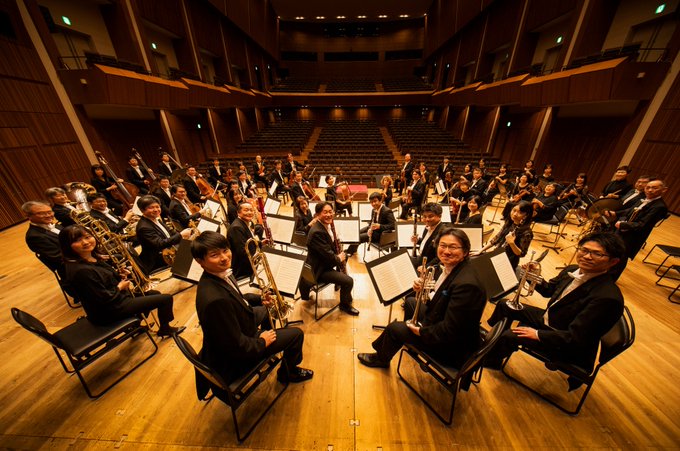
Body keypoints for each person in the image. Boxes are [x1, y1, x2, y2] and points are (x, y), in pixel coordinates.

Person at [485, 232, 626, 384]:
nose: (586, 256)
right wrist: (532, 275)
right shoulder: (572, 269)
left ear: (613, 261)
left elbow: (575, 338)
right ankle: (490, 340)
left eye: (597, 254)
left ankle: (490, 360)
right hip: (554, 319)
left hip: (567, 344)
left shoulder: (607, 298)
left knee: (510, 335)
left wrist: (538, 334)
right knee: (504, 305)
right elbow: (549, 290)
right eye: (584, 250)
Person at [191, 231, 313, 387]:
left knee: (270, 310)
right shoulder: (215, 301)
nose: (224, 257)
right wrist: (262, 342)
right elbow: (236, 347)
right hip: (237, 357)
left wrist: (260, 299)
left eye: (225, 250)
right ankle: (287, 373)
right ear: (200, 261)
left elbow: (237, 298)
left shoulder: (218, 274)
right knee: (296, 334)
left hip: (240, 326)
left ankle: (269, 340)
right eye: (214, 255)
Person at [357, 227, 486, 368]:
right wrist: (424, 288)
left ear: (465, 251)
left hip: (451, 347)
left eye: (453, 247)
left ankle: (381, 359)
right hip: (441, 322)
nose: (446, 251)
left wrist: (421, 332)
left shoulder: (467, 286)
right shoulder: (455, 267)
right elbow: (443, 298)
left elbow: (450, 330)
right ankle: (408, 340)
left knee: (394, 328)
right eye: (443, 245)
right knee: (411, 301)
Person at [59, 224, 183, 336]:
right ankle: (165, 329)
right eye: (77, 240)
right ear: (67, 245)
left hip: (115, 300)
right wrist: (120, 287)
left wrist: (119, 275)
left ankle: (135, 326)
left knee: (154, 294)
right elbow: (102, 298)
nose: (85, 242)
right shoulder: (81, 270)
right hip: (108, 310)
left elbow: (102, 280)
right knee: (165, 299)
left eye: (87, 237)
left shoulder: (92, 257)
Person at [299, 202, 358, 315]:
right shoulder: (317, 232)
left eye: (331, 212)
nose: (329, 215)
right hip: (319, 269)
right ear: (317, 215)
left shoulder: (324, 226)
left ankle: (340, 285)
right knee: (348, 281)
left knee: (344, 259)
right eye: (325, 212)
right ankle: (344, 305)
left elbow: (328, 250)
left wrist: (339, 252)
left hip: (323, 262)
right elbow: (329, 257)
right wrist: (339, 258)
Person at [605, 179, 669, 279]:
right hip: (622, 231)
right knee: (612, 253)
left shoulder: (659, 206)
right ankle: (603, 275)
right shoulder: (642, 199)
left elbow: (643, 224)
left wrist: (623, 225)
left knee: (621, 257)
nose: (650, 190)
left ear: (664, 190)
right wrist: (615, 213)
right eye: (648, 187)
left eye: (654, 188)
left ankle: (610, 280)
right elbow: (629, 211)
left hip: (633, 237)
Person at [135, 195, 191, 274]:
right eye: (151, 208)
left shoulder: (155, 219)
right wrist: (181, 235)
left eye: (157, 207)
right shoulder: (144, 227)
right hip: (158, 260)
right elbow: (160, 244)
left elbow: (171, 232)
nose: (156, 210)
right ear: (142, 210)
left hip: (168, 251)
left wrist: (186, 234)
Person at [475, 201, 533, 269]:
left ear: (526, 215)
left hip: (508, 262)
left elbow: (521, 254)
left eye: (520, 212)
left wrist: (511, 243)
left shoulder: (527, 233)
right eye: (514, 210)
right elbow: (496, 238)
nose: (515, 214)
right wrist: (481, 250)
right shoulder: (510, 223)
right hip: (497, 255)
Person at [345, 192, 396, 256]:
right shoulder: (374, 210)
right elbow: (372, 222)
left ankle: (349, 251)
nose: (373, 204)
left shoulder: (387, 211)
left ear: (380, 201)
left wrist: (380, 226)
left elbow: (393, 225)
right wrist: (369, 228)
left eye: (375, 201)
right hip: (375, 230)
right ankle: (353, 249)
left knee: (359, 237)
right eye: (371, 202)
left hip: (381, 235)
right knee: (358, 232)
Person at [22, 201, 63, 273]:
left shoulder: (55, 225)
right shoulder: (34, 237)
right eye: (41, 213)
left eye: (50, 212)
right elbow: (58, 258)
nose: (48, 215)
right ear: (28, 216)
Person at [227, 201, 262, 280]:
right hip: (242, 268)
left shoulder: (246, 223)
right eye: (246, 210)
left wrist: (261, 243)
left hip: (250, 260)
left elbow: (250, 242)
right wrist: (258, 263)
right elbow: (243, 253)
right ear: (238, 213)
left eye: (251, 210)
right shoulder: (236, 228)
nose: (249, 212)